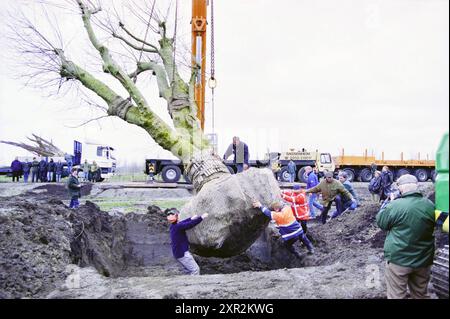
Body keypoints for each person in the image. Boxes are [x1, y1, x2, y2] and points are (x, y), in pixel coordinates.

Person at [376, 174, 435, 299]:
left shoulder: (395, 205)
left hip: (399, 259)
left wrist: (388, 204)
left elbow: (382, 223)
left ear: (401, 189)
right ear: (417, 187)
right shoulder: (429, 205)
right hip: (423, 259)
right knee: (421, 294)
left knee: (396, 295)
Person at [166, 208, 208, 275]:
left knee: (190, 270)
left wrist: (191, 218)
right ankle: (192, 284)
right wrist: (201, 218)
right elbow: (190, 224)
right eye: (177, 216)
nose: (178, 217)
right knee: (195, 270)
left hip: (178, 253)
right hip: (182, 253)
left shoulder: (173, 226)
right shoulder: (178, 226)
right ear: (176, 217)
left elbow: (183, 223)